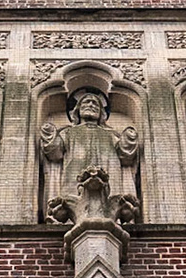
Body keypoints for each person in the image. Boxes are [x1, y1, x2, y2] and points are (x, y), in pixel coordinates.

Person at [40, 89, 140, 222]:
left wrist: (128, 139)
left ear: (101, 113)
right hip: (73, 178)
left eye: (95, 104)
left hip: (109, 176)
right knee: (70, 201)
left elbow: (126, 156)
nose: (91, 105)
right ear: (78, 109)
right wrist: (50, 136)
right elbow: (55, 154)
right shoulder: (68, 132)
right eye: (86, 102)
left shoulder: (111, 134)